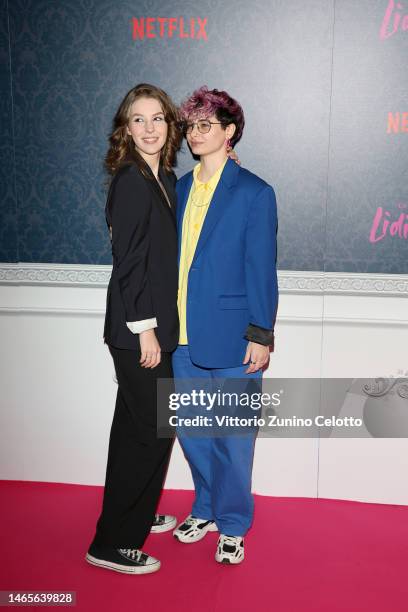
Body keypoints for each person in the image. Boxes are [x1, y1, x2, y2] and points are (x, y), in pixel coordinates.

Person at [172, 86, 278, 565]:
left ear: (229, 131)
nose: (195, 134)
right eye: (190, 126)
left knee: (233, 438)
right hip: (180, 337)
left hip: (234, 336)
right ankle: (207, 506)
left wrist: (261, 332)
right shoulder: (179, 186)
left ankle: (233, 523)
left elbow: (261, 267)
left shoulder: (255, 192)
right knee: (193, 431)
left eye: (205, 125)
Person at [85, 83, 182, 575]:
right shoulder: (130, 179)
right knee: (150, 432)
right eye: (138, 119)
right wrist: (145, 329)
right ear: (126, 129)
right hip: (136, 330)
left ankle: (133, 515)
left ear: (170, 125)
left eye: (157, 118)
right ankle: (114, 544)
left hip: (145, 327)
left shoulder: (160, 174)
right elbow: (130, 262)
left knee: (133, 431)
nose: (149, 128)